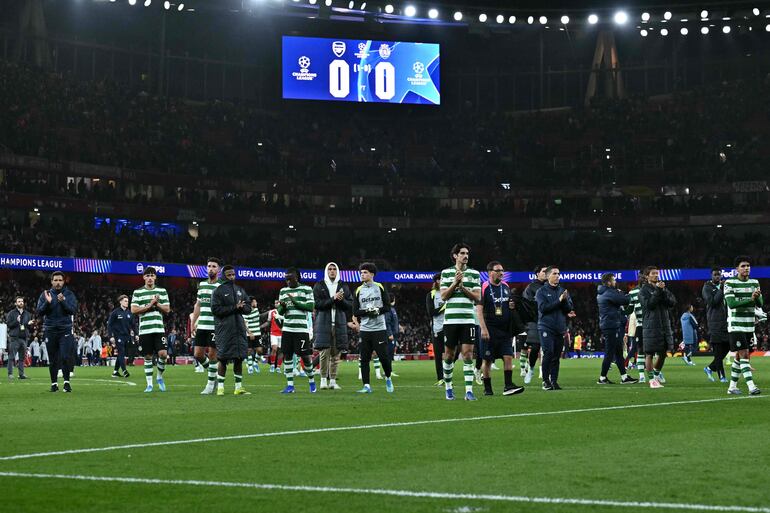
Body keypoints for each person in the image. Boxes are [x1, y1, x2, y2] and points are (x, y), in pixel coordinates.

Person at [439, 243, 482, 401]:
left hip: (468, 319)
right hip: (450, 320)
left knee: (468, 354)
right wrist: (455, 283)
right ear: (455, 256)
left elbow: (477, 297)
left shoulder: (474, 274)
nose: (466, 256)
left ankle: (469, 391)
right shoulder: (446, 273)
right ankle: (449, 388)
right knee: (449, 355)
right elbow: (443, 296)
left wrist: (463, 287)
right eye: (462, 253)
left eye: (467, 253)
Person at [476, 261, 525, 396]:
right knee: (487, 360)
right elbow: (479, 310)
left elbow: (508, 304)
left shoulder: (506, 286)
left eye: (502, 270)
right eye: (498, 270)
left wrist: (511, 306)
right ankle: (487, 388)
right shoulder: (484, 287)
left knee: (508, 357)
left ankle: (508, 386)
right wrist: (483, 329)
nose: (501, 273)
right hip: (489, 329)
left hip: (504, 330)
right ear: (490, 272)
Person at [353, 262, 394, 394]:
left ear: (372, 274)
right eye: (361, 273)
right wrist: (368, 311)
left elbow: (387, 307)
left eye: (365, 272)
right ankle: (366, 386)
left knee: (383, 357)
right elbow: (355, 312)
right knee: (364, 358)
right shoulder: (358, 290)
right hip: (365, 330)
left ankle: (388, 377)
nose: (362, 275)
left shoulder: (380, 287)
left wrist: (377, 310)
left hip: (379, 328)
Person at [211, 265, 252, 396]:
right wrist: (234, 307)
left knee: (239, 358)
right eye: (229, 275)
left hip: (239, 328)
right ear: (223, 276)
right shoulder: (218, 291)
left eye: (233, 274)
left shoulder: (240, 290)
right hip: (224, 329)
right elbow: (216, 310)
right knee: (222, 358)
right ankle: (220, 388)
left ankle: (238, 387)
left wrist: (242, 308)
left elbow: (248, 308)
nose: (232, 277)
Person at [725, 256, 763, 395]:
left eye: (748, 265)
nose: (746, 268)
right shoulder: (730, 283)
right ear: (736, 269)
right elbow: (732, 304)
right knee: (744, 354)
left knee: (739, 357)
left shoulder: (755, 282)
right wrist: (751, 299)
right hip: (736, 325)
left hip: (749, 326)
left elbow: (760, 304)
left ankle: (732, 387)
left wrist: (757, 297)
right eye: (743, 266)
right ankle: (751, 386)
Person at [131, 267, 171, 393]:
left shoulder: (162, 291)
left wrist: (156, 303)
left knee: (163, 354)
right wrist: (150, 304)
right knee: (148, 356)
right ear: (143, 277)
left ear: (155, 277)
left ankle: (159, 377)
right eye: (147, 275)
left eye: (152, 275)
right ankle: (149, 385)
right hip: (145, 330)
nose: (149, 278)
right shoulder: (137, 292)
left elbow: (167, 309)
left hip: (159, 329)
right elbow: (134, 310)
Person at [313, 262, 352, 390]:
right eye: (329, 269)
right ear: (326, 271)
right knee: (324, 353)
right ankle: (323, 380)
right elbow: (317, 304)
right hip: (323, 323)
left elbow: (350, 305)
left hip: (339, 323)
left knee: (336, 354)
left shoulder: (343, 286)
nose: (332, 271)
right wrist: (333, 299)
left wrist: (341, 300)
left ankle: (333, 381)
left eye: (334, 269)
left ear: (337, 271)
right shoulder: (319, 285)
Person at [36, 271, 78, 393]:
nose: (58, 282)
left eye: (60, 280)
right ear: (52, 281)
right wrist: (47, 302)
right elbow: (39, 312)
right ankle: (54, 384)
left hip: (65, 329)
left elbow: (73, 310)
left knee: (65, 356)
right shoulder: (45, 295)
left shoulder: (69, 294)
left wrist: (63, 301)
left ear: (63, 281)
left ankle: (66, 383)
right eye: (56, 280)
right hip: (50, 330)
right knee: (53, 359)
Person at [535, 266, 575, 390]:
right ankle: (545, 381)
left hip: (559, 328)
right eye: (554, 273)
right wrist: (559, 300)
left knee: (556, 356)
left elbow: (568, 309)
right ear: (547, 276)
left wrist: (564, 301)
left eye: (558, 273)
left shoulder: (562, 291)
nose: (557, 276)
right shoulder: (541, 292)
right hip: (546, 327)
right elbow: (543, 309)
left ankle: (554, 381)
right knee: (548, 353)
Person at [277, 267, 316, 394]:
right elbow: (280, 312)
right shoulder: (283, 291)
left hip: (301, 329)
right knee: (287, 356)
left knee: (305, 356)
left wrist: (294, 301)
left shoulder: (307, 289)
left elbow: (310, 307)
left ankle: (311, 381)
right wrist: (282, 307)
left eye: (290, 279)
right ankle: (290, 386)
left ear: (297, 278)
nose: (288, 282)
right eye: (286, 280)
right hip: (287, 328)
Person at [596, 272, 638, 385]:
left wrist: (619, 294)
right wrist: (631, 294)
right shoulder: (609, 292)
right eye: (614, 280)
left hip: (610, 324)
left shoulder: (604, 292)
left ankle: (624, 377)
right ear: (609, 282)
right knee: (610, 352)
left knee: (618, 352)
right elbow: (625, 300)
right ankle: (602, 378)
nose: (615, 282)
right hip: (611, 325)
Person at [639, 266, 676, 389]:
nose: (656, 275)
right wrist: (659, 291)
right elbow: (650, 305)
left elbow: (672, 302)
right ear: (647, 276)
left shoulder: (663, 288)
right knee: (649, 353)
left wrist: (663, 291)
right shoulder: (644, 291)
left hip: (664, 325)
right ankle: (651, 380)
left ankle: (655, 375)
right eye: (653, 273)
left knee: (663, 353)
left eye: (657, 273)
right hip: (651, 325)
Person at [191, 257, 223, 395]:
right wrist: (193, 322)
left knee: (212, 355)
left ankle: (210, 385)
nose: (211, 268)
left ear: (219, 269)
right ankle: (213, 374)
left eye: (214, 266)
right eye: (209, 266)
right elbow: (198, 305)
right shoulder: (202, 285)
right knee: (197, 354)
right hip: (202, 325)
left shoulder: (222, 286)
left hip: (215, 325)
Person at [702, 267, 729, 383]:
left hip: (726, 322)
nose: (718, 277)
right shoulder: (707, 287)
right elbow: (712, 302)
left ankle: (709, 368)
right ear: (711, 275)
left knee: (728, 346)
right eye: (715, 275)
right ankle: (722, 376)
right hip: (715, 322)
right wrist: (721, 289)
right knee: (718, 350)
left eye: (719, 274)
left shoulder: (725, 286)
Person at [522, 265, 547, 384]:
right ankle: (531, 369)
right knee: (536, 347)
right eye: (544, 271)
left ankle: (545, 373)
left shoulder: (550, 287)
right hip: (534, 321)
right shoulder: (531, 287)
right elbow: (526, 304)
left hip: (548, 321)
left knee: (548, 350)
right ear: (537, 274)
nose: (546, 273)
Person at [6, 296, 33, 380]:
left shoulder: (27, 314)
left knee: (22, 358)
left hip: (24, 338)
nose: (21, 303)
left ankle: (21, 374)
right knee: (11, 357)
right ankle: (10, 374)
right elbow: (9, 325)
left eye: (22, 301)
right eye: (19, 301)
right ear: (15, 303)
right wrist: (16, 321)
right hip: (14, 338)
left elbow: (29, 328)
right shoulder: (11, 313)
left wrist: (30, 325)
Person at [426, 272, 446, 386]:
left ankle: (448, 375)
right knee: (438, 355)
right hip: (437, 328)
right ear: (437, 281)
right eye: (442, 279)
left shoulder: (449, 293)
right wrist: (444, 306)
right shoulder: (431, 294)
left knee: (451, 353)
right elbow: (431, 312)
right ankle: (440, 378)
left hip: (450, 326)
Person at [627, 273, 647, 381]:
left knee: (651, 351)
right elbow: (630, 310)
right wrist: (621, 310)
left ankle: (656, 374)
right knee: (640, 349)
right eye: (641, 278)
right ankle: (642, 376)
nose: (643, 279)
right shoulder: (632, 292)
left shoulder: (652, 290)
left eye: (644, 278)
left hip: (651, 325)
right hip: (640, 325)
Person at [107, 295, 133, 378]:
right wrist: (111, 336)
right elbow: (109, 325)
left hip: (127, 336)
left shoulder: (129, 313)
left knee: (121, 354)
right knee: (121, 352)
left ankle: (115, 372)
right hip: (118, 336)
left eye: (127, 301)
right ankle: (124, 370)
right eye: (125, 301)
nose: (127, 302)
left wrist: (136, 334)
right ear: (120, 302)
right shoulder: (115, 312)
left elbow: (133, 325)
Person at [243, 297, 262, 375]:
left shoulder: (257, 310)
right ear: (251, 303)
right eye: (255, 302)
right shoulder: (245, 312)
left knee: (260, 350)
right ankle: (250, 366)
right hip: (249, 334)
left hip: (257, 333)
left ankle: (255, 363)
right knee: (249, 350)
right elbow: (244, 323)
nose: (256, 303)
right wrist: (250, 333)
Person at [265, 301, 284, 373]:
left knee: (281, 351)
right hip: (273, 333)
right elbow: (268, 322)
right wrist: (261, 327)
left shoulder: (285, 311)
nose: (276, 304)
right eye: (275, 303)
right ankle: (272, 365)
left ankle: (278, 367)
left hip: (282, 333)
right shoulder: (271, 312)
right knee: (274, 349)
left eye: (278, 302)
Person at [384, 294, 399, 375]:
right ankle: (387, 371)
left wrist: (399, 327)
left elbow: (393, 321)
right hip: (390, 335)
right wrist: (390, 334)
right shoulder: (389, 309)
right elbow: (387, 322)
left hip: (394, 334)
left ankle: (389, 370)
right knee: (388, 354)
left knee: (390, 354)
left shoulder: (392, 309)